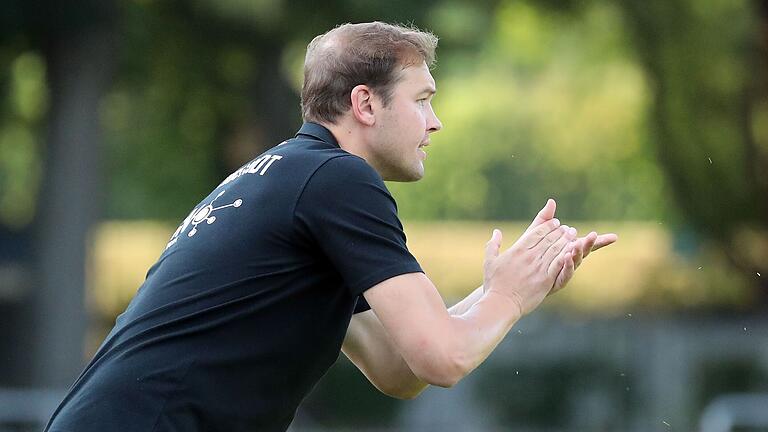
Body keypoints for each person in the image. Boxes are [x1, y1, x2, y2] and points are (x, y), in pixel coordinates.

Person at [45, 21, 617, 432]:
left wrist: (507, 291)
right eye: (422, 100)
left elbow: (399, 368)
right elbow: (441, 358)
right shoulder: (338, 180)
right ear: (365, 105)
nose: (435, 122)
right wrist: (508, 296)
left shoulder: (296, 178)